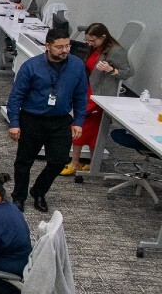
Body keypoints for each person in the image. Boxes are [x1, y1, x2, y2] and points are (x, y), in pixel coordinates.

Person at [7, 27, 88, 212]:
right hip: (32, 119)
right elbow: (16, 96)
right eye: (59, 47)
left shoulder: (76, 66)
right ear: (48, 46)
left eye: (67, 46)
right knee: (24, 161)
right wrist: (14, 122)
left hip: (60, 121)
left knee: (59, 161)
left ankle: (39, 191)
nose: (65, 50)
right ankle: (19, 196)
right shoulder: (31, 66)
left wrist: (79, 121)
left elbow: (81, 95)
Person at [62, 22, 133, 175]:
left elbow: (127, 72)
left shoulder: (116, 51)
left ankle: (78, 163)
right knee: (86, 127)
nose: (89, 43)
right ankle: (92, 163)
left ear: (103, 37)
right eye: (88, 40)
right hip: (88, 91)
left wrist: (111, 70)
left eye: (92, 40)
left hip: (101, 95)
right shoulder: (96, 48)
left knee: (85, 127)